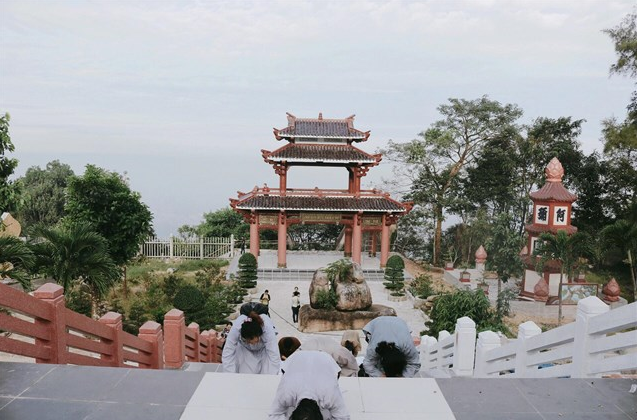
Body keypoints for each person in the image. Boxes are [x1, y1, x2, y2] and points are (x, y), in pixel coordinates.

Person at [268, 350, 350, 420]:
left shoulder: (330, 394)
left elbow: (343, 417)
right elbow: (273, 415)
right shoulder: (286, 392)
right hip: (295, 359)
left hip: (326, 360)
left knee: (333, 388)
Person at [221, 310, 280, 374]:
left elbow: (274, 354)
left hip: (264, 350)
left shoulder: (267, 329)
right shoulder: (236, 328)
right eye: (247, 341)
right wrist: (229, 375)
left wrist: (271, 378)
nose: (251, 343)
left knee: (267, 371)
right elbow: (228, 352)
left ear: (258, 334)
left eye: (252, 340)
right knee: (245, 373)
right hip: (245, 350)